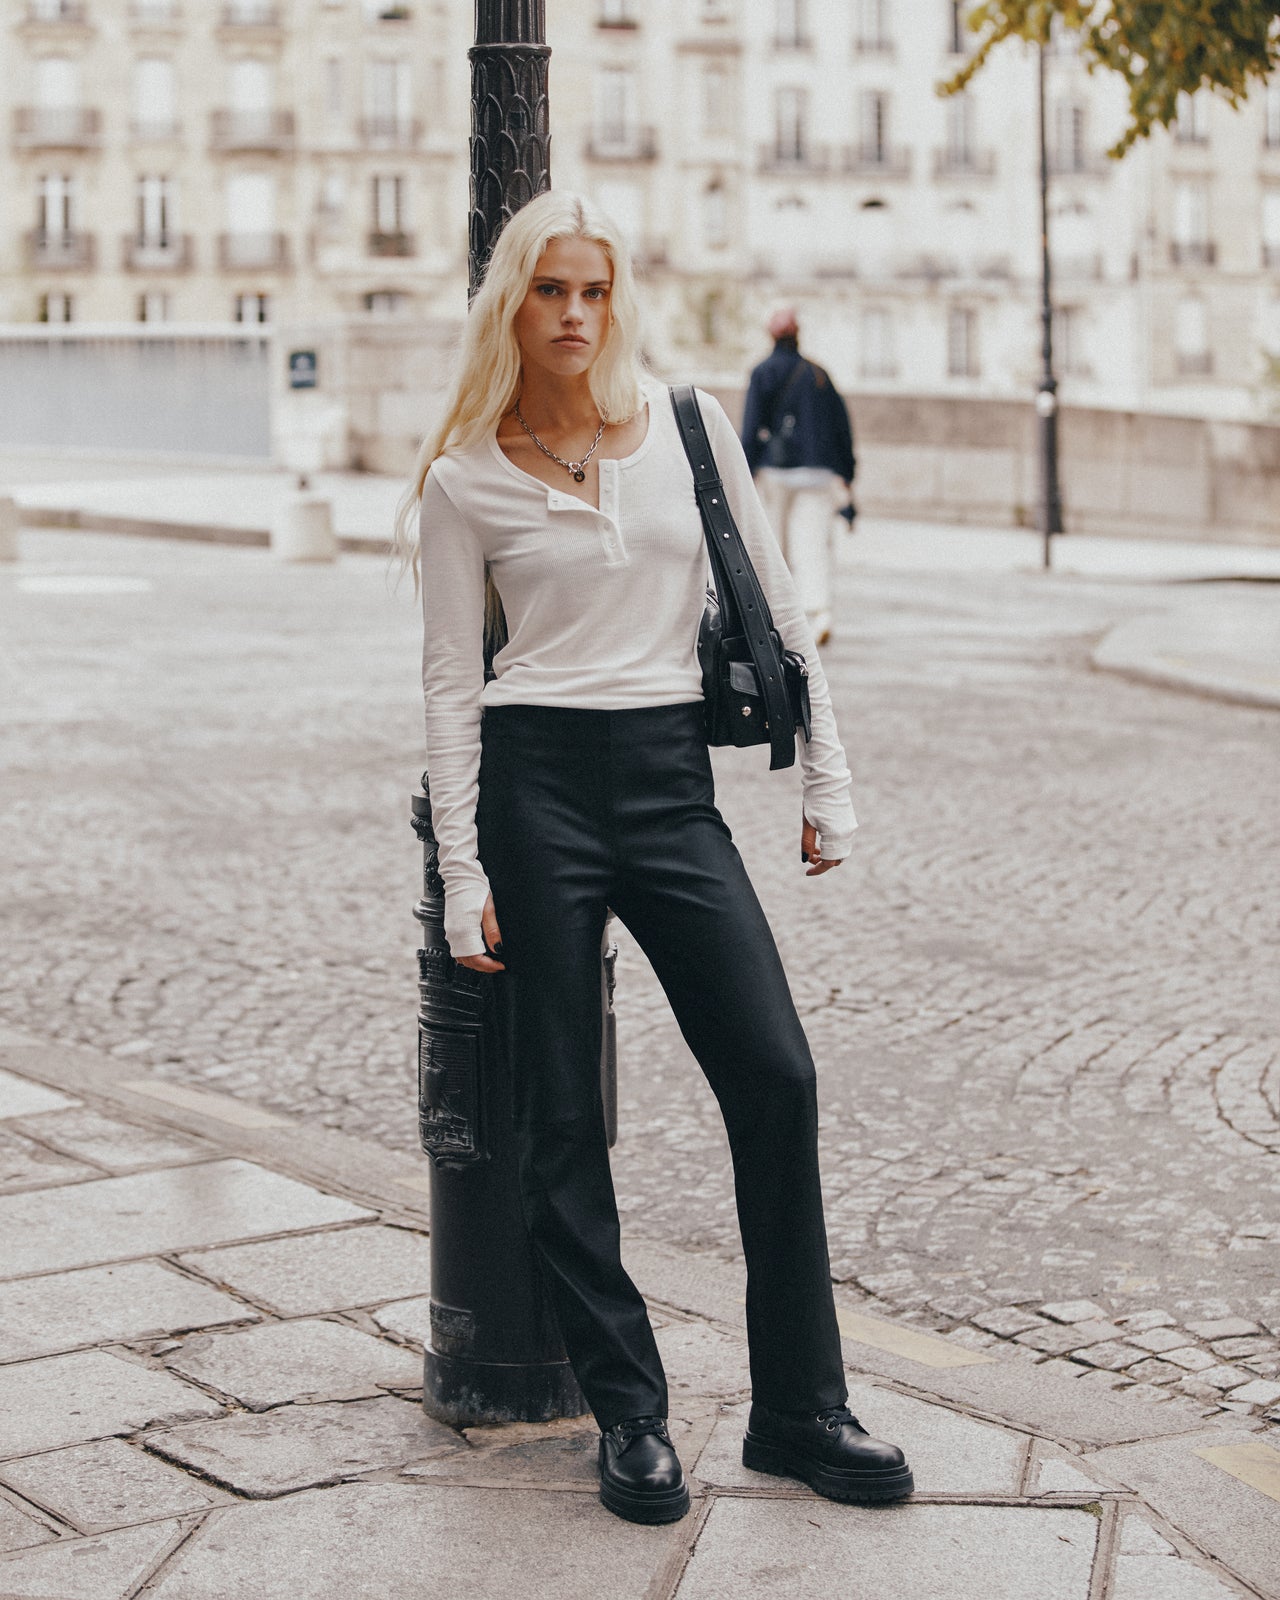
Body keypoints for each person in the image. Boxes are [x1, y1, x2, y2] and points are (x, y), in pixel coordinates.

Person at [397, 190, 911, 1526]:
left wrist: (826, 778)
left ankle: (801, 1407)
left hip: (671, 783)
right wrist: (463, 871)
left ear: (618, 301)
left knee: (775, 1072)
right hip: (536, 792)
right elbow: (455, 685)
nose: (575, 315)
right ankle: (630, 1412)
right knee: (559, 1115)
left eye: (595, 291)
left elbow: (780, 607)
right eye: (550, 291)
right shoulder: (463, 482)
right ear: (511, 303)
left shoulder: (690, 429)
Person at [741, 309, 856, 647]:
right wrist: (846, 474)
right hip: (817, 474)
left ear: (772, 336)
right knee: (814, 544)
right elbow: (842, 429)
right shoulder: (819, 375)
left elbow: (750, 430)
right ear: (798, 334)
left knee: (775, 546)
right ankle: (819, 612)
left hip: (775, 473)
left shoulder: (763, 372)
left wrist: (744, 473)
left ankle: (777, 618)